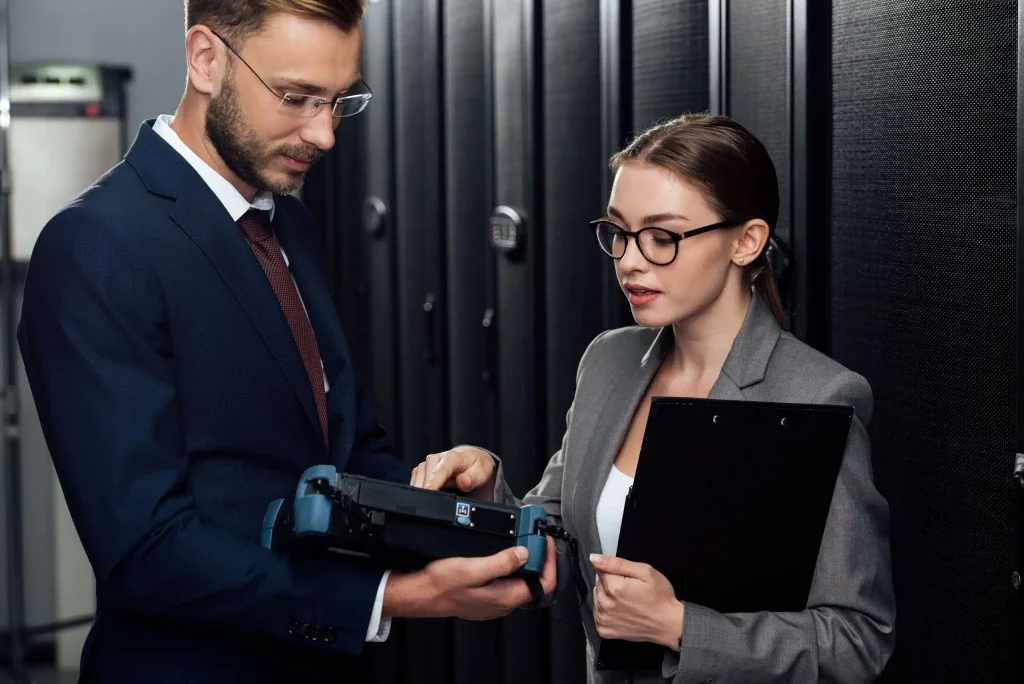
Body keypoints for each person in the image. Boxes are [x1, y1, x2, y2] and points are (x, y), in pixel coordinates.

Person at [16, 1, 554, 682]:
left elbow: (344, 447)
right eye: (297, 97)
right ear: (206, 58)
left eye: (340, 101)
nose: (325, 134)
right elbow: (144, 551)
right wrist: (389, 598)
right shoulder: (95, 245)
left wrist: (441, 507)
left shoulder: (290, 225)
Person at [412, 113, 896, 683]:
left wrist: (680, 627)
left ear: (747, 241)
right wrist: (489, 487)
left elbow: (858, 641)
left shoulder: (817, 397)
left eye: (662, 237)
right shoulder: (609, 360)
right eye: (619, 233)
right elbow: (563, 541)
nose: (631, 260)